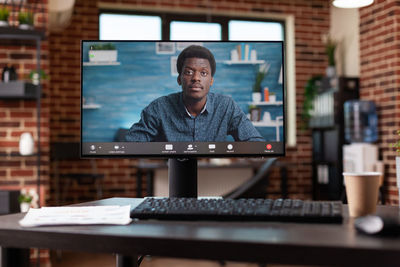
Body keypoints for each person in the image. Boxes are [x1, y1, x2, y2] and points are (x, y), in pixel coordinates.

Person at [126, 45, 264, 142]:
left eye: (203, 73)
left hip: (215, 177)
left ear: (211, 81)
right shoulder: (159, 107)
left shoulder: (226, 106)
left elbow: (255, 141)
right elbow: (131, 144)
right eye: (189, 72)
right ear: (179, 79)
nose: (196, 78)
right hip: (169, 175)